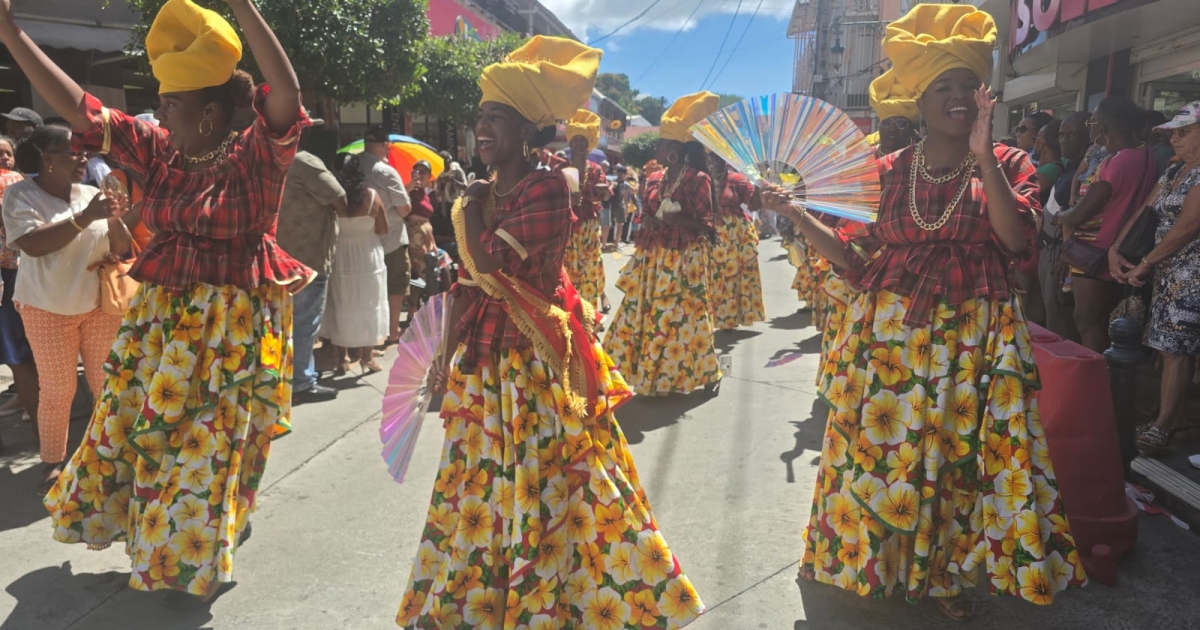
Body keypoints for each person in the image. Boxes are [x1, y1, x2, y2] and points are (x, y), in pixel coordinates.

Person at [764, 5, 1084, 619]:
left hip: (973, 336)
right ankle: (872, 563)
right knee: (882, 456)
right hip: (887, 338)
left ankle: (945, 577)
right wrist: (797, 215)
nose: (960, 96)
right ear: (920, 99)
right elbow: (854, 260)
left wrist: (983, 151)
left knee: (957, 461)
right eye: (945, 86)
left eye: (970, 84)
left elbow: (1016, 242)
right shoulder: (885, 172)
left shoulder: (1011, 164)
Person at [396, 35, 704, 629]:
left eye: (498, 119)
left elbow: (487, 264)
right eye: (480, 118)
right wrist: (444, 351)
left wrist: (468, 208)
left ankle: (575, 594)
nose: (483, 129)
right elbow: (467, 282)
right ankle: (475, 593)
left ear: (528, 131)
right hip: (486, 358)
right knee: (481, 484)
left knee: (552, 480)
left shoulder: (544, 186)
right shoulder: (487, 192)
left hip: (534, 360)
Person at [24, 0, 314, 601]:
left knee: (206, 449)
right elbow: (80, 105)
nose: (159, 112)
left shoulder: (256, 154)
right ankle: (164, 542)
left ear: (210, 113)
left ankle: (190, 557)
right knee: (142, 436)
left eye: (171, 104)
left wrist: (243, 6)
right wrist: (11, 32)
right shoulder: (159, 150)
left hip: (233, 325)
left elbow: (285, 92)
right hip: (159, 323)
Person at [2, 125, 131, 493]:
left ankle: (109, 455)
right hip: (46, 307)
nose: (83, 158)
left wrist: (116, 215)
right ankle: (53, 461)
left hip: (98, 305)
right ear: (47, 159)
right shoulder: (19, 196)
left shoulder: (91, 193)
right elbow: (32, 245)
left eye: (84, 151)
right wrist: (86, 217)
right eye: (74, 151)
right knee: (59, 390)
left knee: (106, 383)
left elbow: (120, 246)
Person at [604, 92, 723, 397]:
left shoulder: (699, 179)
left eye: (661, 143)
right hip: (653, 257)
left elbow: (706, 225)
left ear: (675, 150)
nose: (655, 148)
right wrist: (651, 221)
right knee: (646, 314)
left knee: (685, 318)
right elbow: (644, 214)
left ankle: (700, 371)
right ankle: (654, 375)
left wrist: (678, 221)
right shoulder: (654, 177)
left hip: (686, 259)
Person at [1108, 102, 1200, 456]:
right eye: (1172, 132)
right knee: (1168, 347)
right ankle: (1168, 418)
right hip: (1168, 272)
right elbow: (1146, 210)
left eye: (1184, 131)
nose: (1175, 139)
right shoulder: (1174, 171)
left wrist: (1145, 263)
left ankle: (1163, 426)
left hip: (1190, 274)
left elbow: (1188, 226)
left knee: (1176, 349)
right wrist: (1117, 248)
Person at [1056, 96, 1158, 352]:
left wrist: (1063, 217)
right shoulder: (1144, 154)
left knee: (1089, 323)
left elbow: (1082, 211)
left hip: (1095, 251)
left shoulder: (1117, 160)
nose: (1089, 126)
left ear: (1102, 126)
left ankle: (1095, 382)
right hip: (1119, 248)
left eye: (1092, 121)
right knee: (1103, 323)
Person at [277, 121, 345, 403]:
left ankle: (283, 380)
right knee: (305, 322)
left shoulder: (271, 158)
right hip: (309, 257)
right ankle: (302, 382)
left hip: (281, 256)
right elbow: (340, 198)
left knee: (283, 324)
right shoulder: (306, 161)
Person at [320, 154, 387, 376]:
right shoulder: (372, 197)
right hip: (367, 254)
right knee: (370, 303)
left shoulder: (331, 199)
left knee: (341, 302)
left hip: (341, 253)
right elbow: (383, 229)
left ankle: (343, 357)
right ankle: (367, 357)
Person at [0, 134, 37, 455]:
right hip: (19, 272)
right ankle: (31, 406)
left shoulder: (12, 183)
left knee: (18, 351)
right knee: (22, 350)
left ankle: (34, 408)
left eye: (8, 153)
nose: (5, 160)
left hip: (9, 274)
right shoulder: (23, 183)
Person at [1038, 112, 1089, 342]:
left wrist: (1066, 256)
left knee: (1059, 321)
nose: (1064, 140)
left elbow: (1077, 217)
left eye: (1072, 135)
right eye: (1061, 135)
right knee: (1050, 313)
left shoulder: (1085, 172)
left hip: (1061, 251)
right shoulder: (1071, 168)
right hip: (1048, 247)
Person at [360, 124, 411, 345]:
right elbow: (404, 209)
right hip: (390, 239)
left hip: (360, 239)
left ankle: (367, 334)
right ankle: (392, 330)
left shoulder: (352, 166)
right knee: (396, 283)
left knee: (366, 287)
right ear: (383, 146)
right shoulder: (385, 171)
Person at [707, 153, 766, 330]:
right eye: (709, 159)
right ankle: (722, 318)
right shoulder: (702, 179)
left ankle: (737, 315)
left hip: (737, 233)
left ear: (723, 160)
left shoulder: (737, 179)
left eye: (716, 158)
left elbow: (755, 205)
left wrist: (758, 184)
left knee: (740, 275)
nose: (712, 162)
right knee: (718, 277)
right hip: (714, 232)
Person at [559, 109, 609, 310]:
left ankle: (587, 310)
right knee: (568, 266)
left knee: (589, 266)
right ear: (570, 143)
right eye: (576, 140)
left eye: (583, 140)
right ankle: (568, 307)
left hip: (589, 226)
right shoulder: (561, 168)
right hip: (566, 225)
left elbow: (605, 196)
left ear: (589, 144)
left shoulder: (596, 170)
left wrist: (604, 191)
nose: (579, 143)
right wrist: (567, 198)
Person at [870, 73, 920, 156]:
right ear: (879, 128)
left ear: (913, 132)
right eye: (887, 123)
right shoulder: (864, 155)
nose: (892, 129)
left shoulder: (921, 159)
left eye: (901, 124)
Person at [405, 159, 437, 281]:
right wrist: (408, 189)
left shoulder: (426, 194)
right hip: (416, 235)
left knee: (439, 266)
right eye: (416, 171)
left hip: (428, 236)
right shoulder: (410, 190)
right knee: (425, 272)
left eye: (423, 171)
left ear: (429, 176)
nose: (420, 174)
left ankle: (444, 296)